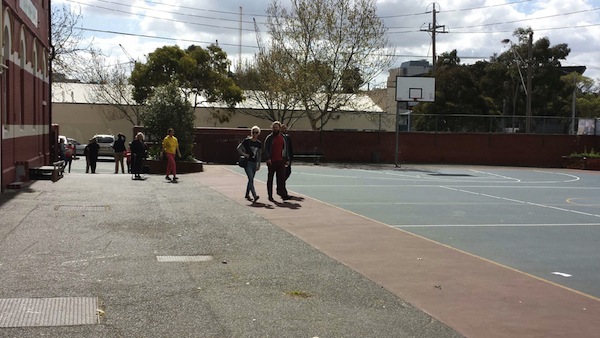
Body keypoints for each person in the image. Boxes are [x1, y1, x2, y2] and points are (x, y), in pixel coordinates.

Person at [264, 121, 290, 202]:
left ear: (279, 128)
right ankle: (270, 196)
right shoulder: (269, 138)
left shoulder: (283, 137)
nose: (275, 129)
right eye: (274, 127)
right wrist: (268, 158)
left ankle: (283, 194)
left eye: (277, 127)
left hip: (281, 161)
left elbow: (286, 149)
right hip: (272, 162)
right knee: (270, 179)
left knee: (281, 179)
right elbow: (266, 149)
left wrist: (287, 159)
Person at [237, 126, 262, 202]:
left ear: (258, 133)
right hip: (247, 162)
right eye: (253, 132)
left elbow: (259, 154)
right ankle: (254, 195)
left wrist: (259, 164)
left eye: (256, 132)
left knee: (251, 179)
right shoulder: (247, 141)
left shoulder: (258, 143)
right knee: (251, 178)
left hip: (254, 163)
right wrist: (244, 154)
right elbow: (238, 148)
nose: (255, 134)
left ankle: (247, 194)